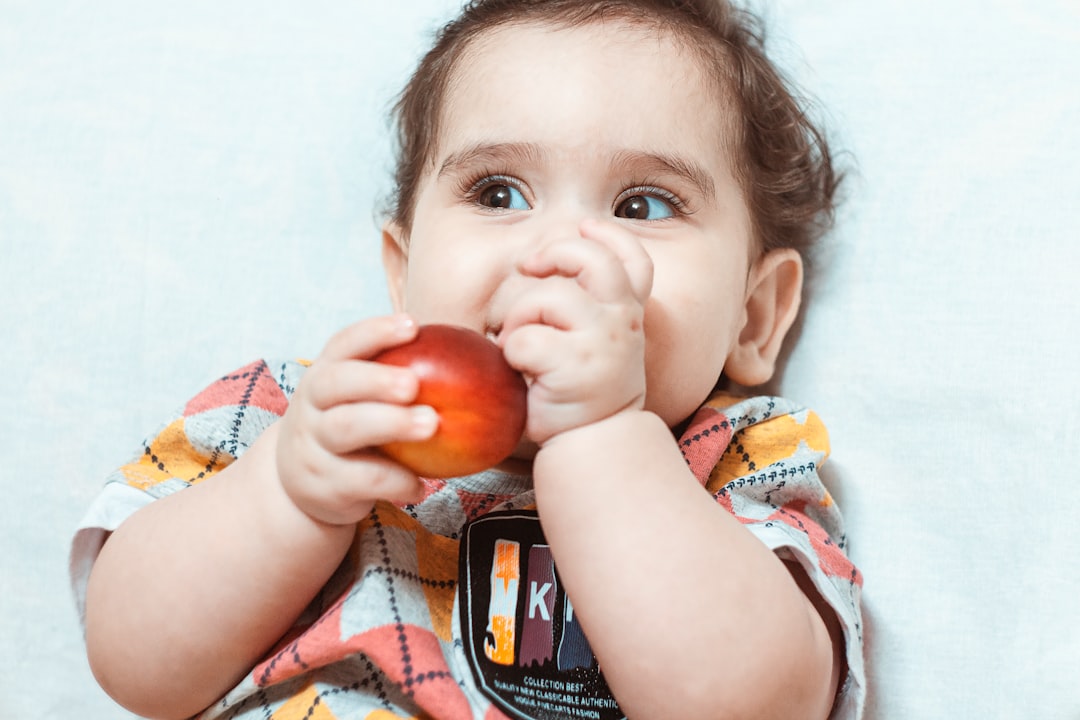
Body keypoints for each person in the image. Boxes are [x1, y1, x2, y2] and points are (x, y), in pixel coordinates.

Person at [71, 1, 865, 718]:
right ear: (402, 273)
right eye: (497, 194)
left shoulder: (736, 470)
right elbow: (133, 664)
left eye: (642, 205)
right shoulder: (303, 415)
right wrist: (288, 495)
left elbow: (759, 706)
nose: (557, 254)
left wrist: (602, 440)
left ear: (754, 317)